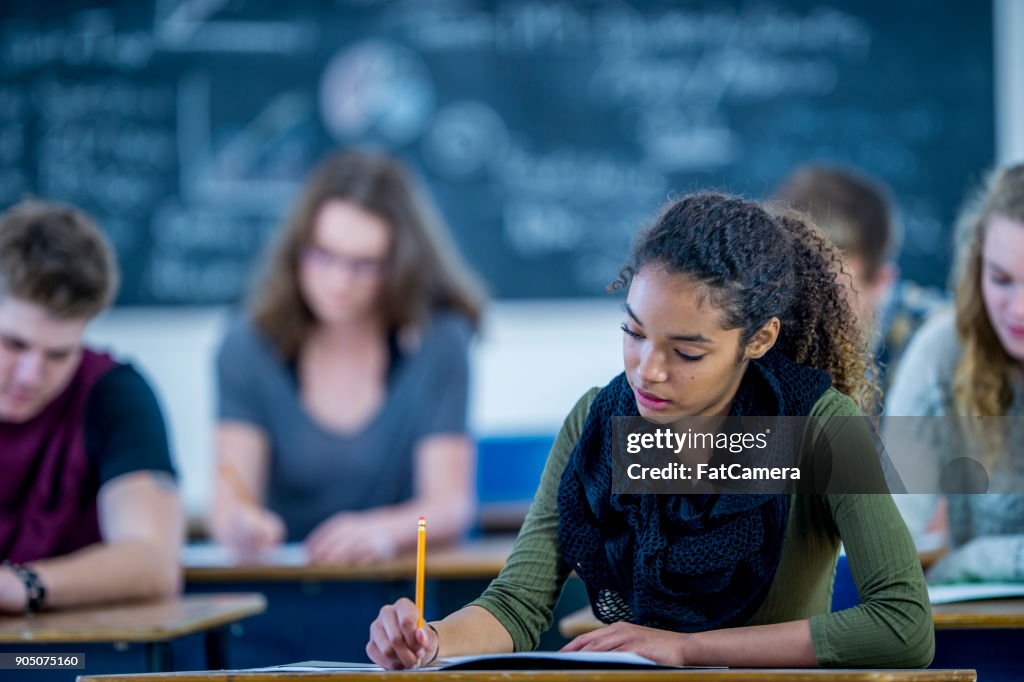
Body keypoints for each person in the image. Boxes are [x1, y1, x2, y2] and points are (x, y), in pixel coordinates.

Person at [367, 192, 933, 668]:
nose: (649, 370)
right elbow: (518, 605)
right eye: (634, 334)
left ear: (757, 340)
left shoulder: (819, 425)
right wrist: (431, 640)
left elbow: (903, 626)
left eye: (687, 352)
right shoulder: (596, 422)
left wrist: (689, 650)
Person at [209, 150, 484, 565]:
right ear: (297, 249)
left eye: (364, 265)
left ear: (399, 266)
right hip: (281, 589)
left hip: (401, 589)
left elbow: (450, 505)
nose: (339, 281)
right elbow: (229, 507)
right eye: (324, 255)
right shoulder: (246, 345)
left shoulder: (439, 342)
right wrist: (242, 526)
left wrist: (383, 531)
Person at [0, 200, 182, 613]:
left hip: (59, 664)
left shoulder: (114, 394)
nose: (30, 375)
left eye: (59, 354)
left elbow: (153, 562)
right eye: (13, 344)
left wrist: (20, 585)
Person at [886, 163, 1024, 584]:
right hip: (986, 634)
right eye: (1000, 279)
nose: (1018, 310)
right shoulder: (942, 352)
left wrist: (969, 563)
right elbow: (890, 533)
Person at [774, 164, 946, 396]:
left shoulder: (943, 347)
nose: (800, 310)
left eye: (828, 295)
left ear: (882, 282)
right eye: (789, 286)